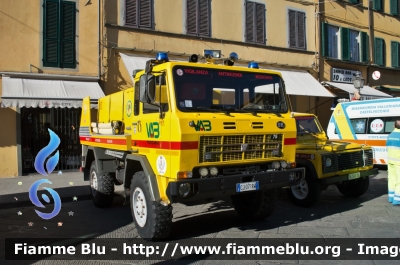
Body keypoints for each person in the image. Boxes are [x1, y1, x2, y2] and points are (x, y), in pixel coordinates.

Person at [386, 120, 400, 205]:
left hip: (390, 161)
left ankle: (391, 198)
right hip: (399, 163)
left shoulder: (390, 136)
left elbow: (387, 147)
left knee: (391, 180)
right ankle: (397, 200)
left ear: (394, 126)